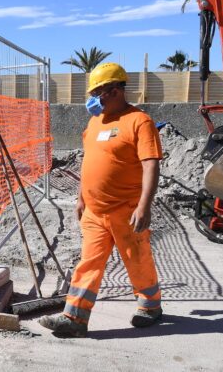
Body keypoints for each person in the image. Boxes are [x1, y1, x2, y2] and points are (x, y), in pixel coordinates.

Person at [39, 63, 163, 337]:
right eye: (93, 92)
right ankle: (74, 318)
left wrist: (144, 206)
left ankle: (151, 305)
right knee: (89, 262)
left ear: (116, 90)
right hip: (94, 212)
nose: (93, 99)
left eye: (99, 92)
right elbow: (89, 162)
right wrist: (81, 197)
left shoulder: (139, 121)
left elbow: (151, 165)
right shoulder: (95, 122)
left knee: (137, 260)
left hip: (127, 211)